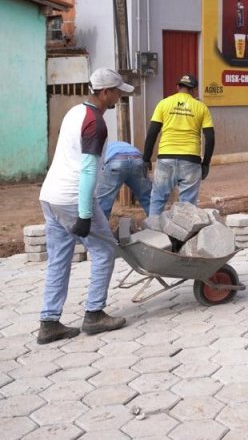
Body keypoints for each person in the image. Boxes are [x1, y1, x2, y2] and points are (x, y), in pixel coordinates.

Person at [36, 68, 132, 344]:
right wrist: (86, 214)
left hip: (50, 195)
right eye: (116, 92)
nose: (117, 98)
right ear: (105, 93)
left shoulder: (74, 112)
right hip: (72, 197)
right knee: (104, 251)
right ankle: (94, 314)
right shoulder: (96, 123)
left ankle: (49, 322)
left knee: (59, 259)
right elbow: (88, 169)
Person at [143, 74, 215, 215]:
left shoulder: (163, 103)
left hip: (165, 159)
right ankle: (182, 236)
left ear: (177, 87)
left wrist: (146, 158)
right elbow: (210, 137)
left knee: (158, 199)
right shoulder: (201, 107)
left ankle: (151, 234)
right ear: (194, 90)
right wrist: (206, 163)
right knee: (187, 206)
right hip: (191, 160)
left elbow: (152, 132)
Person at [96, 140, 152, 219]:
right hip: (137, 160)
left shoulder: (99, 149)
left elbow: (98, 172)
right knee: (147, 198)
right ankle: (158, 224)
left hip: (116, 161)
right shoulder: (120, 145)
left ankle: (100, 230)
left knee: (103, 202)